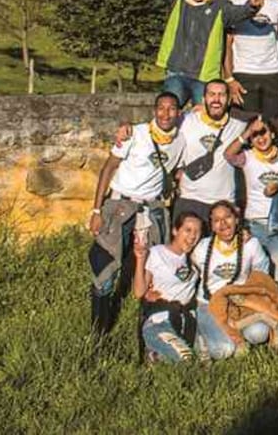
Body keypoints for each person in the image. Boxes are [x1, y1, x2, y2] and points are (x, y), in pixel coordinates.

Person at [88, 92, 186, 336]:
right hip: (121, 204)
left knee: (153, 265)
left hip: (150, 208)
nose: (166, 114)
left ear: (178, 113)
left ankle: (150, 325)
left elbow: (176, 172)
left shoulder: (181, 141)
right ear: (154, 110)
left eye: (172, 108)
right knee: (106, 266)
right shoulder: (135, 133)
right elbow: (108, 167)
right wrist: (97, 209)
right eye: (161, 108)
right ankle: (99, 329)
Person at [224, 116, 278, 301]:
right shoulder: (248, 157)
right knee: (256, 272)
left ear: (272, 133)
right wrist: (246, 132)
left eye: (264, 132)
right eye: (255, 135)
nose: (260, 138)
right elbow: (228, 155)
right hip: (254, 225)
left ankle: (275, 306)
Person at [190, 201, 275, 360]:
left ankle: (232, 331)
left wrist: (252, 299)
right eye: (217, 220)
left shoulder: (251, 244)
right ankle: (201, 334)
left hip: (239, 302)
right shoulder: (202, 247)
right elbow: (189, 276)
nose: (223, 224)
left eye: (227, 217)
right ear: (212, 226)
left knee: (259, 334)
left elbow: (262, 276)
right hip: (209, 304)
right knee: (223, 350)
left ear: (236, 219)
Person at [172, 80, 248, 226]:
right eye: (212, 94)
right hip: (190, 200)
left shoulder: (239, 124)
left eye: (222, 95)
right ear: (203, 99)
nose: (216, 99)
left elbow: (262, 119)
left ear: (229, 99)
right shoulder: (185, 120)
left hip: (223, 203)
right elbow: (160, 129)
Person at [133, 210, 203, 364]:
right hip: (160, 319)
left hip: (188, 319)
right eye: (188, 230)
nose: (192, 236)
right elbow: (139, 292)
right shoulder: (157, 253)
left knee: (207, 359)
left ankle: (159, 355)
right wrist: (140, 260)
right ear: (175, 230)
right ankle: (155, 353)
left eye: (197, 232)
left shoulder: (197, 255)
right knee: (186, 359)